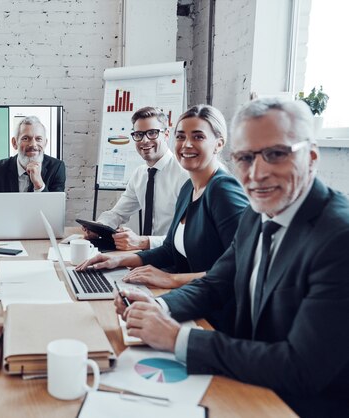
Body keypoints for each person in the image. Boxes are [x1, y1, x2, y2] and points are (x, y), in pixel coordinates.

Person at [115, 98, 349, 417]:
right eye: (245, 158)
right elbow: (216, 283)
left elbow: (302, 368)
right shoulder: (257, 214)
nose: (257, 173)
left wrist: (179, 338)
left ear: (311, 156)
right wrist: (157, 306)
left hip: (296, 404)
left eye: (276, 154)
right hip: (246, 380)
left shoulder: (339, 238)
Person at [79, 105, 248, 292]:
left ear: (219, 144)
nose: (186, 144)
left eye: (198, 136)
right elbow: (171, 249)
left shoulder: (223, 190)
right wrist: (117, 259)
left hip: (213, 304)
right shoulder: (189, 188)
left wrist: (172, 279)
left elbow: (242, 267)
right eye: (181, 136)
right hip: (189, 290)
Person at [83, 107, 189, 250]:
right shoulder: (140, 174)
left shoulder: (185, 174)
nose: (145, 140)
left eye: (152, 133)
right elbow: (118, 213)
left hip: (175, 257)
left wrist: (143, 242)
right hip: (148, 256)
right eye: (139, 134)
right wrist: (99, 227)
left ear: (166, 134)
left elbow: (188, 236)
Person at [0, 116, 66, 228]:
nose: (33, 145)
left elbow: (55, 218)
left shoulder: (57, 167)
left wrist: (39, 184)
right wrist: (15, 222)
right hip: (5, 236)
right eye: (26, 138)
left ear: (45, 143)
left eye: (38, 139)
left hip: (41, 238)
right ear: (15, 143)